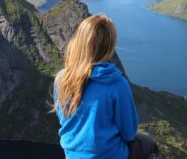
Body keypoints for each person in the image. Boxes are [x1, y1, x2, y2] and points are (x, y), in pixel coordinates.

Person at [53, 14, 158, 158]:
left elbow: (63, 118)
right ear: (109, 46)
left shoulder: (62, 78)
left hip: (73, 155)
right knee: (148, 142)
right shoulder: (117, 85)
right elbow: (128, 134)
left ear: (79, 42)